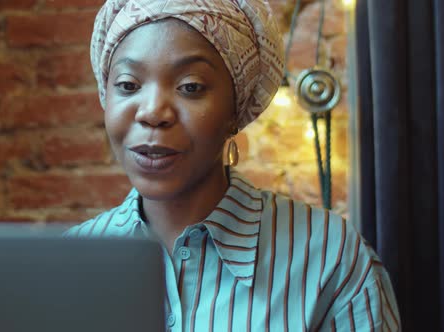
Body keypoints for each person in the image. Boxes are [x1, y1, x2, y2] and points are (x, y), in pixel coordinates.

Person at [65, 0, 401, 330]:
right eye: (128, 85)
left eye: (190, 87)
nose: (152, 112)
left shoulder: (330, 256)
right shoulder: (66, 261)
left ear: (234, 110)